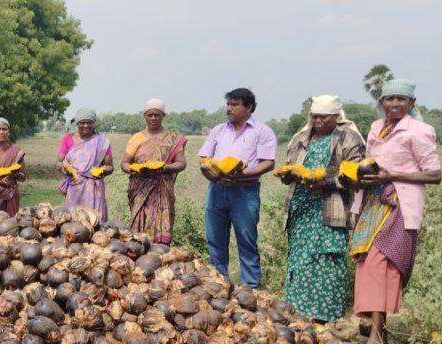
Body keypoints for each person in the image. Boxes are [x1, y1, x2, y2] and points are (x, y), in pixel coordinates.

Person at [347, 79, 441, 344]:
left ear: (412, 103)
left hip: (399, 205)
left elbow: (435, 173)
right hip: (372, 203)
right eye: (389, 99)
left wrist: (393, 176)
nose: (395, 104)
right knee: (367, 267)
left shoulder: (420, 131)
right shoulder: (377, 128)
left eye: (402, 99)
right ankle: (378, 337)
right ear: (381, 102)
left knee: (381, 267)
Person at [282, 95, 365, 324]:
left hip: (330, 207)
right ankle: (298, 312)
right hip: (301, 208)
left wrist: (326, 181)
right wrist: (290, 173)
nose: (318, 121)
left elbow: (357, 174)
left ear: (336, 116)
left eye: (324, 117)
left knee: (328, 258)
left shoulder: (348, 137)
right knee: (300, 260)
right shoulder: (302, 136)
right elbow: (290, 166)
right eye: (315, 116)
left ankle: (326, 315)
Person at [198, 88, 277, 288]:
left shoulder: (262, 131)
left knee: (246, 240)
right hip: (216, 190)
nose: (229, 109)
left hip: (245, 191)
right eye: (228, 104)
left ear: (248, 108)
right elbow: (204, 156)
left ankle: (251, 288)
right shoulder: (218, 130)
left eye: (235, 105)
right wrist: (210, 170)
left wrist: (242, 174)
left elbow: (268, 163)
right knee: (215, 240)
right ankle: (219, 284)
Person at [121, 98, 187, 243]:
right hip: (140, 188)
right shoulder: (136, 138)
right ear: (144, 116)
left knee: (161, 226)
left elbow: (181, 163)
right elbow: (125, 163)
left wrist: (164, 167)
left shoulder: (173, 138)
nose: (153, 118)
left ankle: (161, 255)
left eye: (157, 115)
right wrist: (135, 169)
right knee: (139, 226)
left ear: (163, 116)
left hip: (162, 188)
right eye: (149, 115)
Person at [57, 108, 113, 221]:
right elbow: (59, 162)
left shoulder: (101, 142)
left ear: (94, 123)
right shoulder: (67, 139)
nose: (86, 125)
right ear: (77, 123)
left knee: (94, 220)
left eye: (89, 122)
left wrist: (102, 171)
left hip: (94, 187)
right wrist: (63, 168)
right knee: (73, 221)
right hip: (74, 187)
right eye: (82, 122)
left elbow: (110, 166)